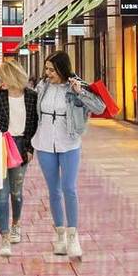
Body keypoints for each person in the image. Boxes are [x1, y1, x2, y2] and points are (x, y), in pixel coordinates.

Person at [32, 51, 104, 259]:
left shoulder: (76, 85)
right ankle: (60, 236)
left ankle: (73, 237)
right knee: (54, 191)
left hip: (69, 142)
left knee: (69, 188)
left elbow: (100, 108)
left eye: (52, 70)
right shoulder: (43, 86)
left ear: (62, 69)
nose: (48, 73)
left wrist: (80, 92)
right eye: (46, 69)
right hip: (45, 143)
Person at [0, 61, 39, 258]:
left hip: (21, 146)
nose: (0, 81)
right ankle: (5, 237)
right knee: (1, 194)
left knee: (16, 192)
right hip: (1, 145)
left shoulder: (31, 96)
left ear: (12, 77)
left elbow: (34, 125)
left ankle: (16, 224)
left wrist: (30, 149)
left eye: (2, 77)